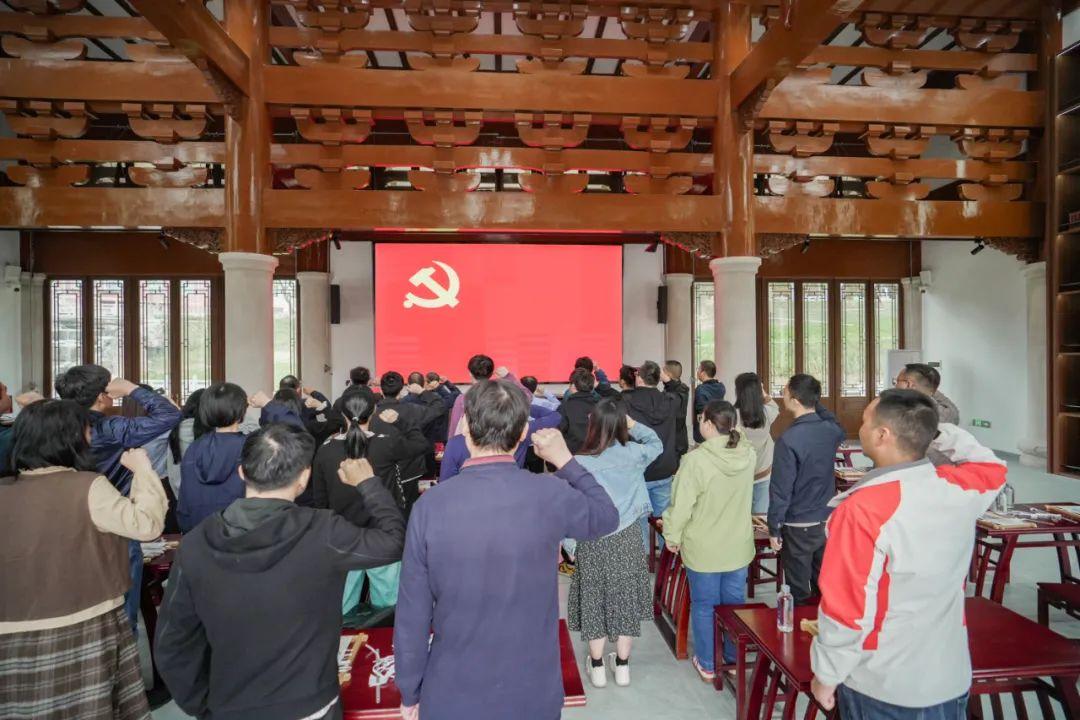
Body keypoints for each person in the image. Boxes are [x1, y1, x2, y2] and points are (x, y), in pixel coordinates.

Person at [394, 380, 619, 720]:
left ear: (465, 428)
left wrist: (410, 690)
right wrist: (565, 460)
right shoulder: (548, 493)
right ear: (523, 434)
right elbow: (607, 516)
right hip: (532, 690)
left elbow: (413, 612)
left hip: (453, 690)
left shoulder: (430, 506)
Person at [154, 423, 406, 720]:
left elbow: (173, 643)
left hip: (228, 705)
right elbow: (393, 541)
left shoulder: (195, 543)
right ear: (304, 478)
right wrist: (367, 482)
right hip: (310, 705)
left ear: (242, 472)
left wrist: (204, 705)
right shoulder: (323, 532)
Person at [810, 390, 1006, 719]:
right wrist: (931, 429)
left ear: (882, 435)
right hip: (948, 674)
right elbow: (993, 466)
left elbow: (848, 607)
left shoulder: (863, 510)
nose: (860, 427)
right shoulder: (957, 487)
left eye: (865, 421)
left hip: (884, 681)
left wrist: (827, 675)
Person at [0, 399, 166, 720]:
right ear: (69, 438)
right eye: (87, 431)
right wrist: (143, 471)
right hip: (85, 621)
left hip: (12, 628)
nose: (91, 437)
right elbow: (146, 524)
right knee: (89, 704)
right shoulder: (87, 486)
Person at [55, 364, 181, 631]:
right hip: (114, 523)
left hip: (65, 521)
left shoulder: (52, 428)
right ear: (102, 396)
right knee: (122, 609)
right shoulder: (109, 427)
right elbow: (170, 415)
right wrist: (131, 389)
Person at [566, 399, 661, 689]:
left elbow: (569, 508)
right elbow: (656, 443)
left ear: (592, 425)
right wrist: (633, 424)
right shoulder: (634, 454)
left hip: (593, 538)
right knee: (625, 600)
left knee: (594, 600)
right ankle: (622, 667)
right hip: (628, 537)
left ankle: (596, 668)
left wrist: (570, 546)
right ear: (622, 424)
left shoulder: (579, 462)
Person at [662, 400, 756, 682]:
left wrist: (672, 535)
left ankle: (707, 663)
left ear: (709, 425)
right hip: (738, 544)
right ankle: (732, 658)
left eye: (701, 418)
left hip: (704, 547)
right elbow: (741, 438)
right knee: (734, 603)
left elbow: (681, 506)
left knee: (704, 605)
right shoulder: (747, 454)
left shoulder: (696, 461)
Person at [313, 390, 411, 611]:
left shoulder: (325, 450)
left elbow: (320, 501)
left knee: (342, 609)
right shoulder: (386, 444)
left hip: (342, 537)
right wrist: (400, 422)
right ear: (374, 410)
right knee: (388, 608)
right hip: (383, 534)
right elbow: (420, 443)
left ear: (342, 413)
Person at [768, 374, 845, 605]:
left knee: (798, 590)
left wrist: (774, 527)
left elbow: (781, 489)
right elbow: (833, 420)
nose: (782, 396)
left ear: (795, 400)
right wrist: (814, 402)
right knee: (824, 584)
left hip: (798, 522)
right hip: (826, 518)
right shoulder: (831, 430)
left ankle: (801, 625)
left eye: (785, 392)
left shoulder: (788, 439)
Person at [177, 382, 249, 533]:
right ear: (241, 411)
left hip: (199, 533)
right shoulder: (250, 447)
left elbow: (185, 501)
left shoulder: (194, 448)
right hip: (241, 535)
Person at [620, 361, 680, 543]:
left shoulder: (625, 401)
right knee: (664, 520)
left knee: (639, 521)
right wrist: (666, 380)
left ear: (639, 378)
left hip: (638, 469)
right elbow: (681, 390)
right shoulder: (671, 400)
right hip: (664, 468)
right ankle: (666, 556)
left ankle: (644, 557)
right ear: (658, 378)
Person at [438, 402, 561, 481]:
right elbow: (555, 417)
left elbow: (446, 482)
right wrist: (522, 406)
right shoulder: (519, 432)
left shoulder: (455, 443)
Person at [734, 372, 781, 514]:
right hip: (763, 471)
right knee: (761, 517)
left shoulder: (732, 415)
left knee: (740, 515)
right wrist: (762, 391)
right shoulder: (767, 413)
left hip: (740, 473)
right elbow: (774, 406)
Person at [896, 363, 960, 425]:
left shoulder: (900, 410)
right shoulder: (946, 415)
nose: (895, 385)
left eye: (897, 381)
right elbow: (953, 414)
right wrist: (928, 388)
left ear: (909, 384)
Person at [559, 367, 599, 453]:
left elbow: (557, 433)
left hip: (572, 455)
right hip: (597, 453)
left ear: (573, 386)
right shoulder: (601, 405)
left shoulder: (565, 407)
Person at [693, 360, 727, 443]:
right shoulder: (721, 386)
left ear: (703, 373)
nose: (697, 372)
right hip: (718, 424)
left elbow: (701, 410)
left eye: (698, 369)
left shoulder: (700, 389)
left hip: (704, 429)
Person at [661, 360, 690, 456]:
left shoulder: (679, 391)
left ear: (668, 374)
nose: (661, 373)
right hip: (675, 439)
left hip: (676, 442)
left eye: (663, 370)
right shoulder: (673, 388)